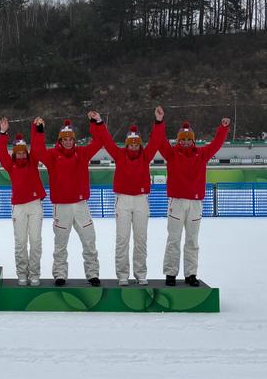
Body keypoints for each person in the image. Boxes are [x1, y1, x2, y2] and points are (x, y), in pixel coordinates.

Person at [150, 106, 230, 287]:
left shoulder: (201, 154)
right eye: (182, 139)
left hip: (195, 203)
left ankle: (191, 274)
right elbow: (159, 140)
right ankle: (170, 273)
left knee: (192, 241)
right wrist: (159, 122)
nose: (185, 142)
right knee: (173, 239)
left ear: (193, 140)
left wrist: (223, 129)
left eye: (188, 139)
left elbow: (216, 144)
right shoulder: (171, 153)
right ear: (178, 140)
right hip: (176, 202)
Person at [32, 113, 105, 286]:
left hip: (81, 205)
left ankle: (92, 273)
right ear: (60, 140)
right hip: (61, 206)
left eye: (70, 139)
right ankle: (60, 274)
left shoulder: (83, 153)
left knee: (89, 240)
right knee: (60, 244)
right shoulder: (51, 156)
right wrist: (38, 131)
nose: (67, 142)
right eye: (64, 139)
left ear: (74, 140)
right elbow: (37, 151)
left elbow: (99, 142)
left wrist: (95, 123)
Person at [92, 117, 155, 285]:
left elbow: (155, 141)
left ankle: (140, 273)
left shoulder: (145, 156)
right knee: (122, 239)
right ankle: (122, 275)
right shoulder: (119, 155)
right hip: (123, 200)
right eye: (131, 144)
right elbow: (107, 140)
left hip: (141, 200)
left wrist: (158, 121)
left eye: (136, 144)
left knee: (141, 239)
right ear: (126, 144)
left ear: (140, 145)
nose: (133, 147)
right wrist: (99, 123)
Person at [0, 117, 46, 285]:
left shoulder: (33, 162)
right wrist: (3, 133)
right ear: (14, 153)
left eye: (23, 152)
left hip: (34, 205)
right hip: (18, 207)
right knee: (20, 242)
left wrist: (36, 128)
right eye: (18, 152)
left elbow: (37, 145)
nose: (21, 154)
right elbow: (1, 153)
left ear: (26, 152)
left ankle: (34, 273)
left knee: (35, 241)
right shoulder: (10, 166)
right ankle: (22, 273)